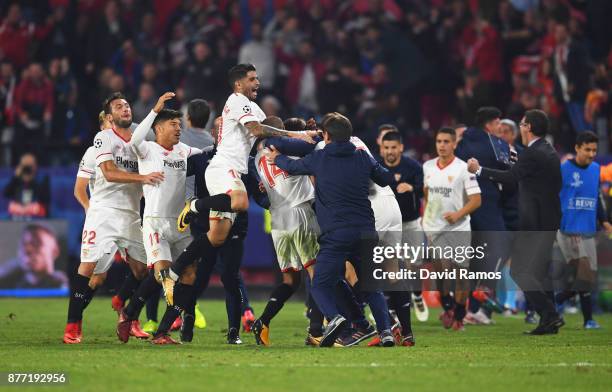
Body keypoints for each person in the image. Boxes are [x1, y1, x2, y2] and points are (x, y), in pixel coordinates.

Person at [168, 64, 311, 304]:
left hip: (231, 169)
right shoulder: (236, 101)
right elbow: (258, 129)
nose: (258, 83)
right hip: (224, 167)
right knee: (240, 202)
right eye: (252, 79)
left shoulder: (251, 106)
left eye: (258, 78)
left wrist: (304, 130)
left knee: (216, 237)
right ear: (238, 84)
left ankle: (174, 269)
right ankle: (194, 206)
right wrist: (297, 136)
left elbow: (271, 127)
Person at [266, 112, 396, 347]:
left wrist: (277, 158)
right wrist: (373, 164)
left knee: (320, 284)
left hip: (336, 234)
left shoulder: (320, 158)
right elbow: (385, 178)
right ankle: (386, 332)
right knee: (371, 285)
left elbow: (293, 167)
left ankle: (335, 317)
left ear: (326, 136)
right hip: (366, 230)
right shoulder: (362, 157)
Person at [63, 92, 164, 344]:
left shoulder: (143, 139)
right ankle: (73, 326)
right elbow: (108, 172)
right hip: (103, 212)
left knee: (144, 270)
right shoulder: (103, 138)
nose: (125, 109)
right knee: (89, 270)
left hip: (131, 214)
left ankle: (124, 307)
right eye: (119, 107)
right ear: (110, 117)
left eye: (127, 105)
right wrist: (142, 178)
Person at [117, 92, 204, 345]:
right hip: (155, 222)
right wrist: (155, 109)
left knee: (189, 276)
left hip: (180, 224)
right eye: (173, 125)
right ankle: (130, 313)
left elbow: (207, 153)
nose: (179, 129)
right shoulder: (147, 150)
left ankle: (162, 331)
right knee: (162, 275)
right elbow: (134, 139)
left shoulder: (183, 150)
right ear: (159, 128)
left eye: (180, 124)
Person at [467, 109, 564, 335]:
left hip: (536, 222)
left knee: (520, 270)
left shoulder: (533, 153)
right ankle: (549, 320)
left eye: (522, 124)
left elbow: (511, 177)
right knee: (539, 272)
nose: (520, 128)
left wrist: (479, 170)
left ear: (528, 127)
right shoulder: (547, 151)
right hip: (548, 220)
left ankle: (550, 314)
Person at [251, 116, 322, 347]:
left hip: (279, 221)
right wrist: (314, 133)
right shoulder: (286, 149)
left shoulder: (258, 159)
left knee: (291, 280)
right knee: (317, 274)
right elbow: (313, 146)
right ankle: (316, 330)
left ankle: (262, 321)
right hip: (299, 212)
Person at [423, 127, 482, 331]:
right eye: (439, 141)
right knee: (441, 274)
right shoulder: (428, 167)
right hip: (434, 230)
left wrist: (457, 215)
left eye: (446, 141)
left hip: (459, 229)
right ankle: (448, 306)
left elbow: (476, 200)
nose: (442, 145)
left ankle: (458, 315)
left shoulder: (464, 168)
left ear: (454, 144)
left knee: (460, 275)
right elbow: (428, 196)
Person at [456, 107, 510, 325]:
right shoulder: (495, 143)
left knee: (474, 258)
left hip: (466, 207)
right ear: (489, 124)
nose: (500, 128)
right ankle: (482, 297)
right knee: (499, 248)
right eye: (498, 123)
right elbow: (510, 174)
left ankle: (470, 310)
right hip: (488, 205)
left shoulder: (461, 142)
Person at [555, 131, 612, 329]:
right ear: (577, 148)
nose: (591, 154)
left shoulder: (596, 169)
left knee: (586, 277)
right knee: (585, 272)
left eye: (594, 150)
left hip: (588, 229)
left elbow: (597, 198)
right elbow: (553, 198)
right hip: (569, 229)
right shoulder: (564, 169)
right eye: (587, 149)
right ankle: (584, 317)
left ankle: (560, 302)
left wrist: (604, 221)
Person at [378, 130, 429, 323]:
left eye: (393, 147)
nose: (390, 151)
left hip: (410, 222)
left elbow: (424, 189)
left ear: (401, 148)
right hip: (388, 224)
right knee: (391, 267)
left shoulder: (413, 166)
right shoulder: (377, 166)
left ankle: (416, 295)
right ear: (382, 149)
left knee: (414, 266)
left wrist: (412, 188)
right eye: (386, 148)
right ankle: (392, 308)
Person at [0, 224, 67, 289]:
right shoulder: (8, 285)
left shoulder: (65, 285)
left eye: (36, 243)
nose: (27, 249)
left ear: (55, 251)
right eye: (23, 244)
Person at [4, 153, 50, 219]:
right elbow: (6, 194)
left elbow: (45, 199)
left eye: (30, 165)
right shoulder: (15, 181)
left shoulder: (42, 180)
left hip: (35, 215)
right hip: (17, 215)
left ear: (35, 166)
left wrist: (32, 180)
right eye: (25, 165)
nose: (27, 168)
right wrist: (15, 177)